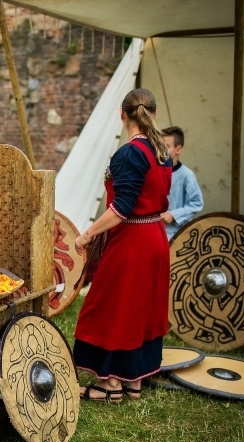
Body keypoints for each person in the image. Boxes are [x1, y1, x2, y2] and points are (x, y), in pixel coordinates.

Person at [73, 88, 172, 403]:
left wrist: (87, 234)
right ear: (153, 114)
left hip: (133, 242)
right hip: (155, 238)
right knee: (140, 310)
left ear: (122, 114)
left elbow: (122, 207)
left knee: (112, 308)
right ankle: (134, 382)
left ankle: (109, 385)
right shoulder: (163, 152)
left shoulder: (129, 153)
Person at [160, 126, 203, 240]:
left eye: (166, 146)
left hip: (175, 236)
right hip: (153, 232)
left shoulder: (186, 175)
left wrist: (173, 215)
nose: (161, 150)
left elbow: (196, 203)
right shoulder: (153, 172)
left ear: (178, 149)